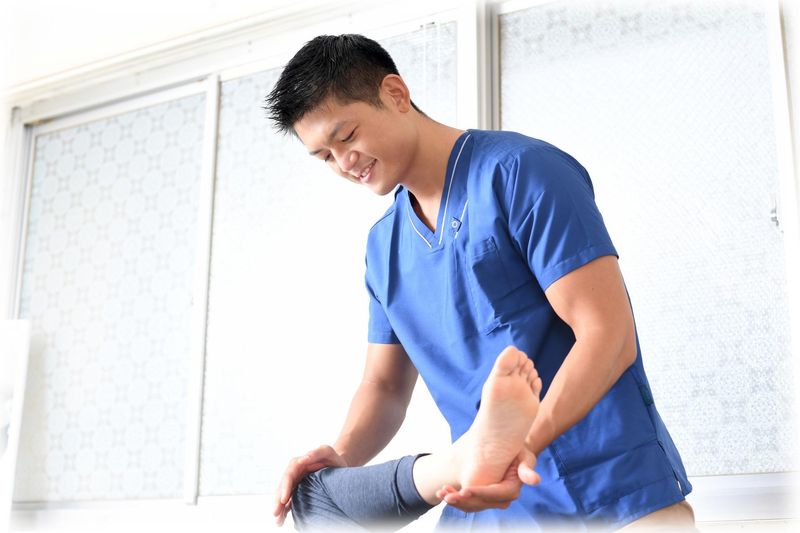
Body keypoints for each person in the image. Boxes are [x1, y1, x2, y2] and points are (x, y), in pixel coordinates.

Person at [264, 34, 696, 531]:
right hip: (490, 508)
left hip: (610, 496)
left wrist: (520, 446)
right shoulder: (383, 248)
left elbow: (608, 335)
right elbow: (384, 386)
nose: (344, 163)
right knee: (317, 510)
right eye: (324, 156)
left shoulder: (522, 172)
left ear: (395, 94)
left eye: (347, 137)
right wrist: (341, 456)